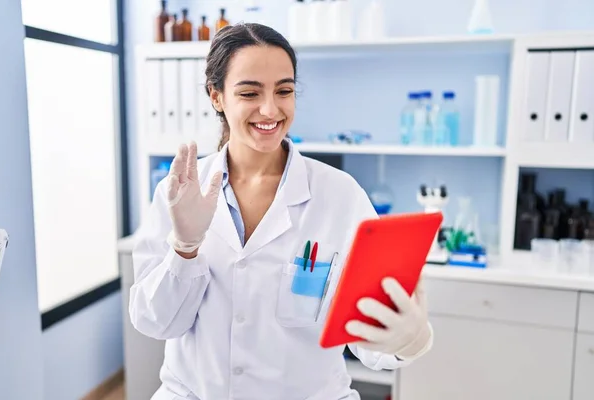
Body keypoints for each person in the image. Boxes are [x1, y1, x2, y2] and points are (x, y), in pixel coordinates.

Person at [130, 23, 433, 400]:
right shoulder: (178, 193)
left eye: (284, 91)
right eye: (249, 92)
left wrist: (407, 339)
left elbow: (367, 339)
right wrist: (184, 248)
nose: (270, 109)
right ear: (217, 97)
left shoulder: (340, 196)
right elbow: (156, 321)